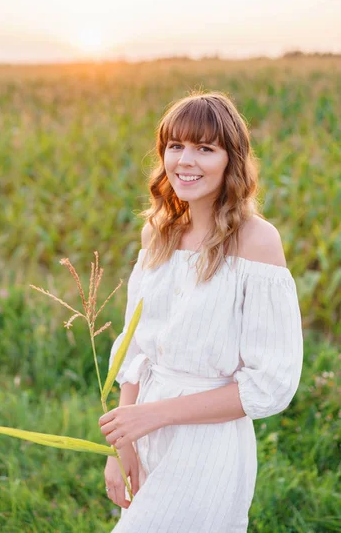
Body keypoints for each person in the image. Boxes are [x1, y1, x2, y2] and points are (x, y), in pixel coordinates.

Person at [98, 91, 304, 532]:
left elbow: (270, 384)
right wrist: (123, 445)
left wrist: (154, 416)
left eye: (204, 149)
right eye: (176, 146)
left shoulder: (257, 241)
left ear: (232, 159)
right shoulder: (159, 231)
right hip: (145, 430)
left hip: (207, 446)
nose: (185, 161)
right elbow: (136, 349)